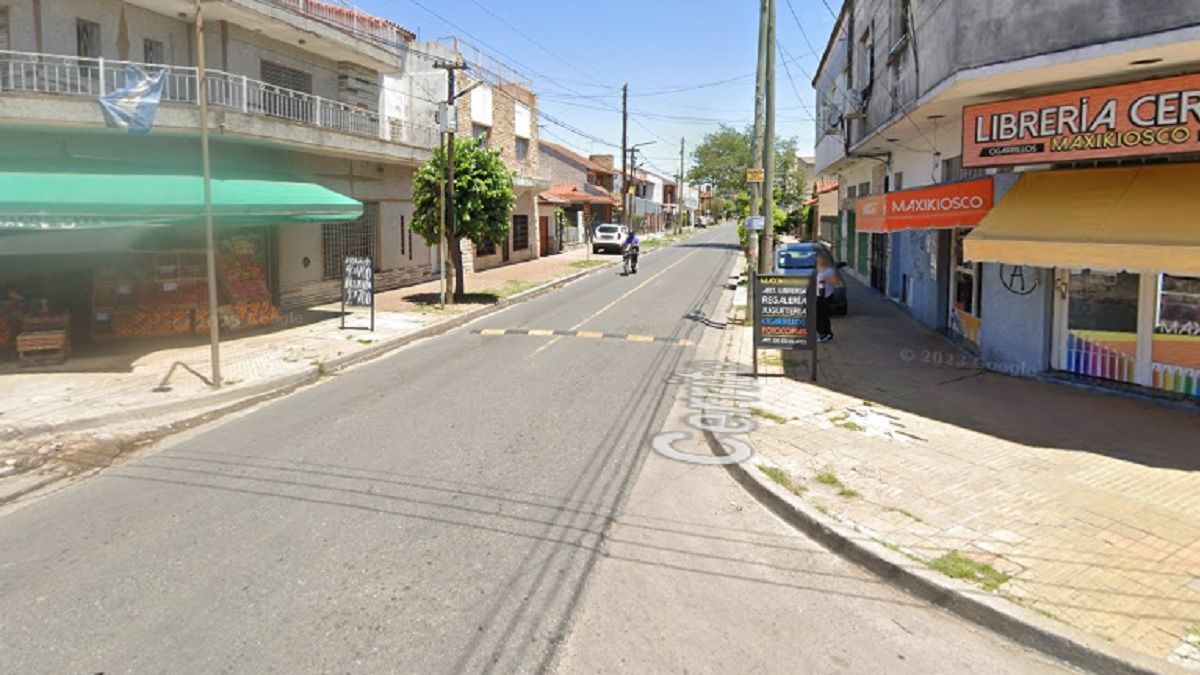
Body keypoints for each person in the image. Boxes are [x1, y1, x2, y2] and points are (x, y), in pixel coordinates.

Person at [815, 253, 839, 343]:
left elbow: (835, 282)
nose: (818, 261)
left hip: (826, 296)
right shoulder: (819, 270)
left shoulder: (829, 271)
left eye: (819, 260)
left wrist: (826, 279)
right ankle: (824, 333)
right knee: (819, 315)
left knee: (822, 315)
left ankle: (825, 333)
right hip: (819, 295)